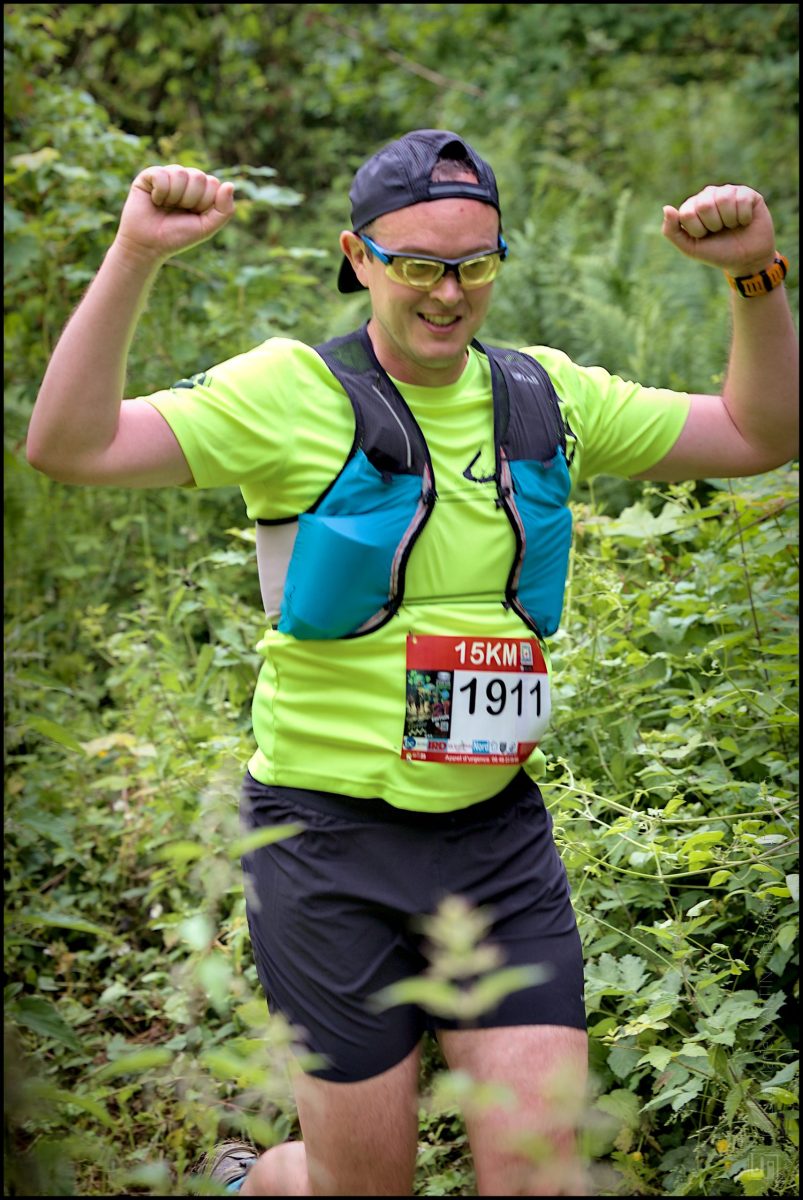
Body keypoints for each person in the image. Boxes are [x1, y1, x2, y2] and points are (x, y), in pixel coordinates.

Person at [27, 129, 798, 1196]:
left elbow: (760, 433)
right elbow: (70, 446)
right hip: (326, 848)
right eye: (418, 265)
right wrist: (136, 254)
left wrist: (752, 277)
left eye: (475, 265)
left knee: (539, 1174)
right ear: (358, 256)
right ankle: (255, 1180)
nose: (448, 293)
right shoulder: (288, 391)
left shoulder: (543, 394)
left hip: (494, 843)